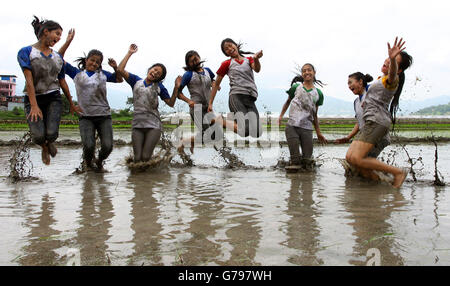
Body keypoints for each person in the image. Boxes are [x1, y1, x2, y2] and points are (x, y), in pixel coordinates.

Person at [345, 37, 413, 188]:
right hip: (371, 121)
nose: (388, 61)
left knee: (356, 158)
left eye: (393, 61)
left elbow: (393, 73)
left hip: (377, 121)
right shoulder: (380, 79)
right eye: (388, 58)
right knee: (350, 158)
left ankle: (398, 172)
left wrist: (393, 60)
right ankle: (382, 183)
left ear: (398, 69)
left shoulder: (391, 81)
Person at [17, 16, 81, 165]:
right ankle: (44, 146)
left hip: (53, 97)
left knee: (52, 133)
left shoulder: (57, 57)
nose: (58, 37)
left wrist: (71, 103)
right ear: (46, 31)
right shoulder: (26, 52)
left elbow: (62, 81)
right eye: (57, 34)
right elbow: (29, 80)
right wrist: (34, 105)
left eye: (60, 35)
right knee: (38, 137)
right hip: (33, 98)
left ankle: (50, 142)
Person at [58, 30, 123, 170]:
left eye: (97, 62)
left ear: (100, 64)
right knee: (88, 146)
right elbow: (58, 58)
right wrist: (68, 41)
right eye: (92, 60)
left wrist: (116, 68)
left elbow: (119, 79)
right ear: (86, 60)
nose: (94, 63)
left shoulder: (103, 75)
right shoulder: (76, 73)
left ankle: (99, 161)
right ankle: (88, 165)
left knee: (108, 146)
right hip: (85, 116)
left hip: (104, 116)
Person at [117, 44, 178, 163]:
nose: (155, 73)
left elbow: (170, 103)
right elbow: (120, 69)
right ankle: (139, 180)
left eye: (158, 74)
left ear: (159, 78)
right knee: (137, 158)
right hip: (137, 124)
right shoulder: (135, 80)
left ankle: (149, 177)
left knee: (145, 157)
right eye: (154, 70)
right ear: (150, 69)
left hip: (153, 125)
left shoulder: (159, 87)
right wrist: (129, 53)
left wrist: (176, 88)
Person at [208, 38, 263, 138]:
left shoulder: (249, 60)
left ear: (236, 45)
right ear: (226, 53)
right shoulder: (227, 64)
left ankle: (224, 120)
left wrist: (256, 59)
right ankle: (219, 120)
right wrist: (211, 102)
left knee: (257, 132)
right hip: (236, 97)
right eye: (226, 49)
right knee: (245, 130)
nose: (229, 48)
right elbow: (216, 83)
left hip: (250, 98)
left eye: (230, 45)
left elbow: (257, 69)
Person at [278, 63, 327, 168]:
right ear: (302, 74)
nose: (306, 72)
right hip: (292, 126)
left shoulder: (318, 93)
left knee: (307, 161)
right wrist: (281, 116)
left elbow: (315, 115)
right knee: (295, 161)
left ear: (314, 72)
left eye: (309, 70)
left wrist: (318, 133)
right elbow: (287, 102)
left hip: (307, 128)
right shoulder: (296, 87)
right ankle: (294, 180)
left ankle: (307, 182)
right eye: (304, 71)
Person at [336, 72, 390, 159]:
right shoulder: (356, 102)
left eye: (350, 82)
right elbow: (359, 122)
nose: (349, 86)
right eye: (348, 84)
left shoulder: (371, 93)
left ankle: (392, 172)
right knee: (355, 160)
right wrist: (348, 137)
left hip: (377, 135)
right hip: (366, 135)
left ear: (360, 82)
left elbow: (381, 85)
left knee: (360, 160)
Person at [176, 50, 218, 153]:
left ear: (199, 58)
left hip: (208, 108)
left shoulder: (208, 71)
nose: (194, 62)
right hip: (196, 108)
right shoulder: (188, 75)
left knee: (216, 136)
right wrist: (188, 101)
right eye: (191, 61)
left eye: (196, 59)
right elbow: (178, 93)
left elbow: (213, 81)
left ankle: (190, 141)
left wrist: (215, 84)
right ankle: (185, 141)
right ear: (188, 64)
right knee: (208, 135)